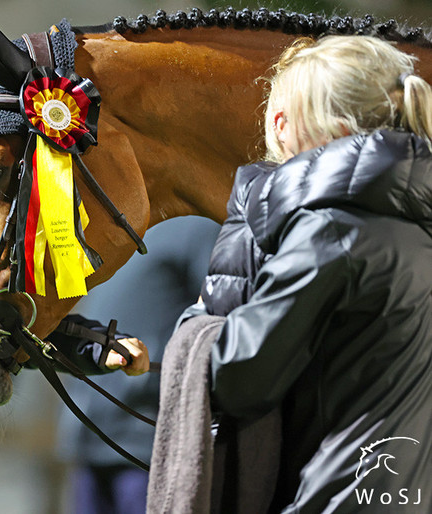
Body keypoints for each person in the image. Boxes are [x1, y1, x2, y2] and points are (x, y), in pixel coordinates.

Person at [172, 35, 432, 513]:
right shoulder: (417, 221)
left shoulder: (332, 232)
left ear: (310, 129)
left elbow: (239, 375)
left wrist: (199, 324)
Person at [55, 217, 219, 514]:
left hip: (147, 437)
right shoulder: (116, 227)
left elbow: (218, 321)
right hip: (91, 430)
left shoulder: (200, 227)